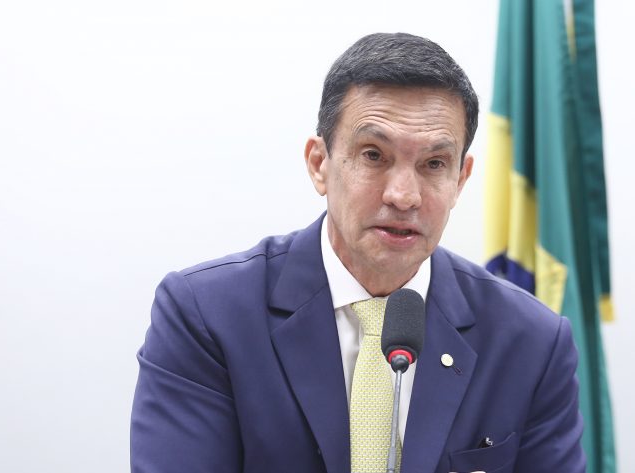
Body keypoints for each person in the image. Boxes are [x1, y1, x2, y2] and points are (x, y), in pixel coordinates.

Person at [130, 32, 585, 473]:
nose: (404, 196)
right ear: (319, 164)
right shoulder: (206, 315)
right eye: (373, 155)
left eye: (434, 164)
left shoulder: (532, 342)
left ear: (460, 180)